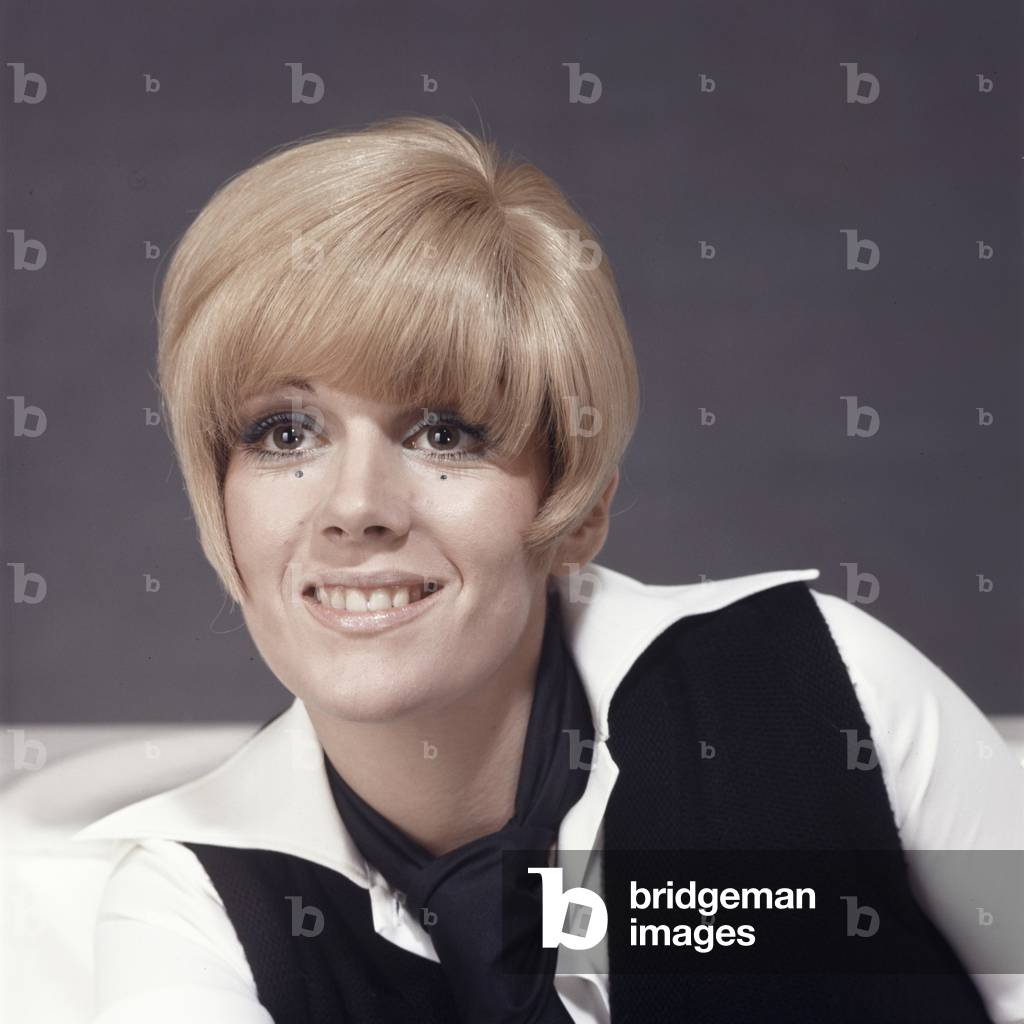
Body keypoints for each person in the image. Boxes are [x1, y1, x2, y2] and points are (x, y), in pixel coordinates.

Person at [75, 115, 1024, 1024]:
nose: (355, 505)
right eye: (285, 433)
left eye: (443, 431)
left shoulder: (824, 689)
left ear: (578, 506)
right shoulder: (188, 904)